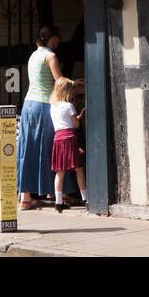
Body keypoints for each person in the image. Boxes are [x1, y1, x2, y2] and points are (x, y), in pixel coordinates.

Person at [16, 24, 81, 209]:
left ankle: (25, 197)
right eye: (57, 39)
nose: (58, 43)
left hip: (29, 106)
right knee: (57, 147)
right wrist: (75, 84)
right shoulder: (50, 56)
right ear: (52, 38)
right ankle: (63, 193)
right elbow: (59, 81)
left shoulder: (34, 55)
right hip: (45, 106)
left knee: (28, 149)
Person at [49, 77, 86, 213]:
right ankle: (85, 198)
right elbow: (75, 125)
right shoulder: (69, 106)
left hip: (58, 139)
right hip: (70, 138)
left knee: (60, 172)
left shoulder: (53, 106)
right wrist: (78, 118)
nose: (73, 95)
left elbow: (62, 123)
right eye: (72, 92)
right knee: (79, 169)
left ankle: (58, 202)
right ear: (66, 92)